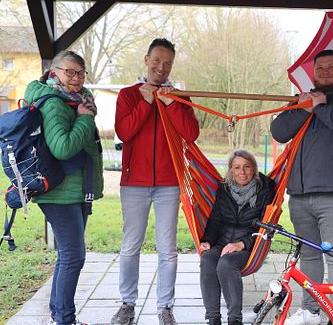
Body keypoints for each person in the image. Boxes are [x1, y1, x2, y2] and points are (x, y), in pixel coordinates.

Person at [270, 49, 333, 325]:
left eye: (330, 67)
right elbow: (279, 131)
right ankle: (310, 311)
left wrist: (321, 106)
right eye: (320, 68)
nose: (325, 72)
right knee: (310, 256)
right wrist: (305, 107)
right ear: (313, 73)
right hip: (300, 194)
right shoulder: (304, 100)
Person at [112, 38, 200, 325]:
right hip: (134, 183)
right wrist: (147, 103)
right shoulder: (127, 95)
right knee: (130, 246)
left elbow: (190, 133)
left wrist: (171, 103)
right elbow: (125, 133)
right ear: (146, 59)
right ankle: (127, 303)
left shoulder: (179, 97)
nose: (161, 67)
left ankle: (165, 307)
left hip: (168, 183)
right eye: (157, 60)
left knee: (168, 248)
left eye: (168, 63)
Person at [25, 50, 104, 325]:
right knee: (74, 256)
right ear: (54, 72)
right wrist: (84, 118)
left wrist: (82, 113)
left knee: (67, 256)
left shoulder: (73, 100)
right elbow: (62, 148)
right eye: (70, 71)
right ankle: (65, 320)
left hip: (72, 190)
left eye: (80, 73)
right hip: (59, 192)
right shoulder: (55, 104)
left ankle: (58, 313)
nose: (76, 78)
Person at [200, 150, 276, 325]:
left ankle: (235, 319)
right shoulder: (224, 189)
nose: (242, 172)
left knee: (226, 263)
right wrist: (207, 241)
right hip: (222, 242)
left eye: (247, 167)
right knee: (208, 259)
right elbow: (215, 219)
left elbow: (266, 226)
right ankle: (213, 318)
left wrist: (242, 244)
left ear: (254, 169)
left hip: (250, 246)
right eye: (237, 167)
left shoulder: (265, 190)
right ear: (231, 171)